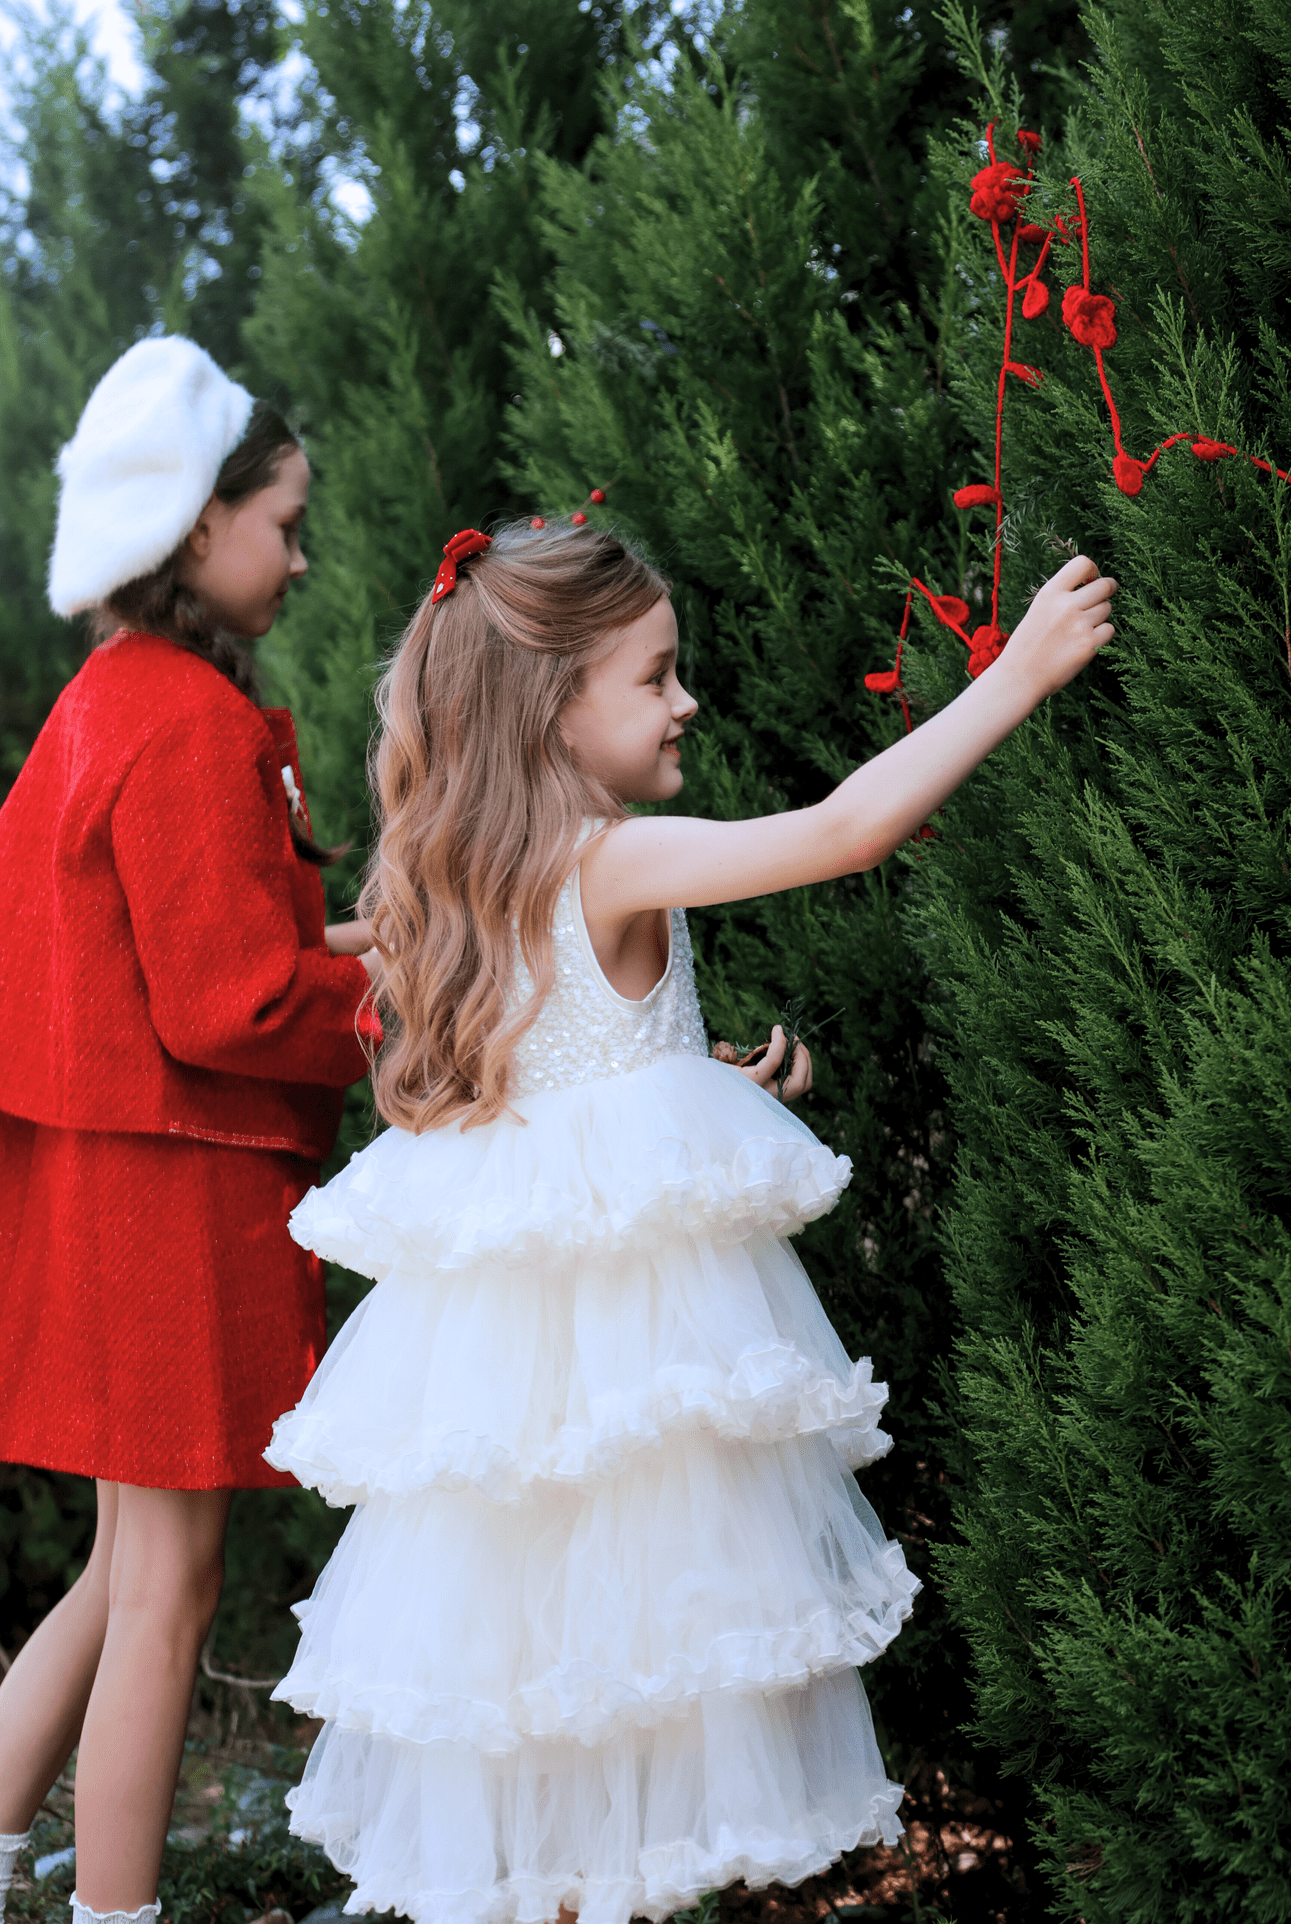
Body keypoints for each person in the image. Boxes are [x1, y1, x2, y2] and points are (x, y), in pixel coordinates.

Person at [266, 519, 1116, 1922]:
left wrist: (678, 1084)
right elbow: (844, 834)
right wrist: (1014, 677)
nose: (687, 702)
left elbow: (558, 1091)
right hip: (634, 1411)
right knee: (639, 1716)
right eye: (656, 676)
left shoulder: (471, 889)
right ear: (554, 707)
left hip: (513, 1417)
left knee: (544, 1725)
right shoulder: (611, 860)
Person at [0, 337, 379, 1924]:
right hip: (171, 1198)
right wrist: (403, 1012)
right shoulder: (190, 727)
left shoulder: (100, 709)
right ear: (193, 526)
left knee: (115, 1572)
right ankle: (115, 1917)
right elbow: (227, 1002)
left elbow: (178, 957)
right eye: (281, 522)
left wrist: (381, 936)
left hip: (100, 1192)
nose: (298, 553)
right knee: (172, 1586)